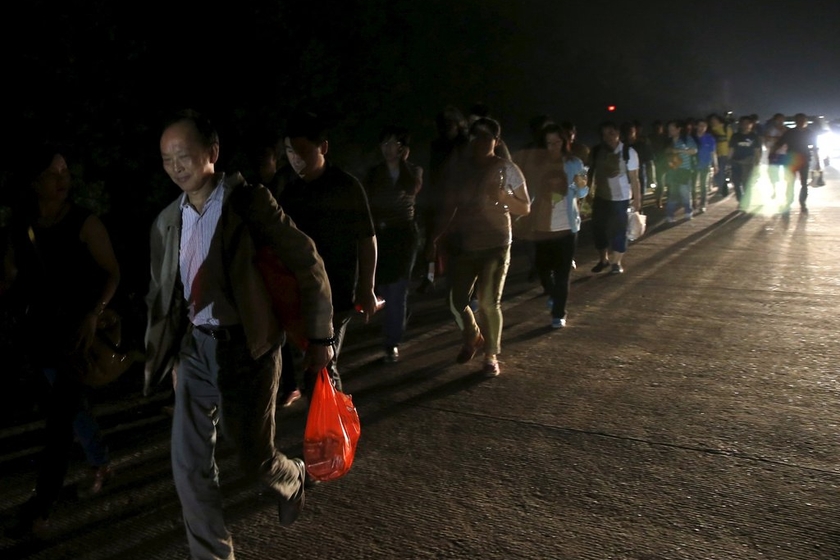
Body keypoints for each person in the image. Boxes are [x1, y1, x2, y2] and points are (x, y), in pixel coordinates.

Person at [144, 110, 335, 559]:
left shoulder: (249, 203)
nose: (176, 166)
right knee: (189, 466)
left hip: (247, 349)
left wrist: (320, 338)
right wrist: (168, 354)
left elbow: (308, 263)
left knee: (253, 457)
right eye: (167, 159)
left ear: (212, 152)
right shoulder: (167, 221)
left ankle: (292, 477)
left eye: (184, 154)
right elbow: (163, 295)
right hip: (194, 349)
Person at [9, 148, 120, 537]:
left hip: (76, 336)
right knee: (66, 409)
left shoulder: (84, 222)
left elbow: (112, 271)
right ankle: (100, 460)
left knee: (59, 422)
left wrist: (94, 312)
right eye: (52, 173)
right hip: (41, 334)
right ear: (34, 181)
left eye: (65, 171)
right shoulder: (24, 225)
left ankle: (41, 509)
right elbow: (13, 274)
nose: (62, 179)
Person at [278, 109, 378, 393]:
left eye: (302, 151)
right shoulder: (290, 192)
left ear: (322, 147)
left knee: (323, 365)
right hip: (301, 293)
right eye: (289, 152)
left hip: (337, 294)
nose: (295, 159)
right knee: (313, 368)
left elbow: (366, 239)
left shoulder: (346, 187)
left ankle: (332, 420)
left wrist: (367, 287)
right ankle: (326, 418)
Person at [431, 117, 530, 376]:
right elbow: (450, 205)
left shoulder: (506, 169)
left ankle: (491, 355)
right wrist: (435, 236)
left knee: (488, 302)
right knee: (456, 300)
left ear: (496, 141)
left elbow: (525, 207)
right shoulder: (461, 168)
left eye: (487, 137)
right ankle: (473, 335)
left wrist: (505, 197)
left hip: (497, 243)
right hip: (466, 243)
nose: (481, 142)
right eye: (476, 136)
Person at [363, 126, 423, 362]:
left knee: (397, 288)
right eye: (385, 144)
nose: (388, 149)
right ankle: (398, 316)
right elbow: (368, 202)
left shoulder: (413, 171)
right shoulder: (374, 173)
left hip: (404, 234)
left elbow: (412, 188)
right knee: (384, 288)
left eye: (394, 144)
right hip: (381, 233)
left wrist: (403, 163)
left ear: (402, 147)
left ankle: (392, 342)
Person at [529, 124, 588, 328]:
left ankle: (558, 313)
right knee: (542, 267)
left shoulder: (574, 163)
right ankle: (553, 293)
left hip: (566, 226)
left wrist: (580, 185)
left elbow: (583, 192)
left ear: (564, 142)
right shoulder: (537, 165)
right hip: (542, 226)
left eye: (557, 142)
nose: (553, 147)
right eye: (549, 143)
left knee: (563, 273)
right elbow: (530, 193)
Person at [588, 121, 641, 274]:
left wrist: (637, 199)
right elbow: (590, 173)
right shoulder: (597, 151)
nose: (608, 137)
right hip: (601, 196)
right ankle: (603, 259)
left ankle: (616, 262)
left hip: (621, 198)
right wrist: (586, 195)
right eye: (604, 134)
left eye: (611, 133)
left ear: (618, 133)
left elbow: (634, 178)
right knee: (599, 228)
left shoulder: (628, 152)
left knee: (619, 230)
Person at [771, 113, 820, 216]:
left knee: (804, 183)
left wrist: (818, 162)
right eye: (799, 120)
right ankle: (788, 202)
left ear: (805, 122)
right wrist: (773, 154)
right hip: (791, 160)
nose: (801, 122)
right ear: (796, 122)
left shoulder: (810, 133)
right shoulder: (790, 133)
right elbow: (779, 144)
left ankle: (802, 203)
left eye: (803, 120)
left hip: (804, 160)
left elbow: (815, 148)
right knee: (790, 182)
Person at [664, 120, 698, 222]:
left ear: (679, 129)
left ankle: (688, 211)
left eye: (672, 129)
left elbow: (694, 150)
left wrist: (679, 150)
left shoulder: (686, 139)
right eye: (669, 129)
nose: (670, 131)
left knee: (685, 192)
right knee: (673, 193)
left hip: (685, 169)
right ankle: (670, 214)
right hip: (672, 169)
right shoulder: (668, 141)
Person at [728, 116, 762, 210]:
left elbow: (757, 151)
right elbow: (731, 149)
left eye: (748, 123)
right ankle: (740, 200)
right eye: (744, 123)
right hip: (735, 161)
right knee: (736, 182)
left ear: (751, 125)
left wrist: (757, 163)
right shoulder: (735, 136)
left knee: (746, 183)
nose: (746, 125)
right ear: (740, 124)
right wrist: (729, 160)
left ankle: (746, 202)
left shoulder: (754, 137)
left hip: (748, 162)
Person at [694, 119, 718, 213]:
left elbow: (713, 152)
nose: (701, 128)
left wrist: (715, 165)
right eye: (700, 125)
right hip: (693, 165)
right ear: (696, 126)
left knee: (704, 185)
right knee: (693, 185)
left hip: (705, 164)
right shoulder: (692, 137)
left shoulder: (710, 138)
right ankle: (693, 202)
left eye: (704, 126)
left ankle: (703, 204)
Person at [763, 113, 787, 200]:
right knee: (773, 173)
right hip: (773, 153)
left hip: (785, 153)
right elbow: (766, 139)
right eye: (778, 119)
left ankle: (785, 191)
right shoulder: (770, 129)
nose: (780, 121)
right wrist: (778, 139)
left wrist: (774, 138)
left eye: (781, 119)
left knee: (787, 173)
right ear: (774, 120)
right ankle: (774, 190)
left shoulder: (786, 130)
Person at [709, 114, 732, 197]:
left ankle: (721, 189)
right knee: (716, 172)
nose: (713, 122)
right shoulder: (711, 130)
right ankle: (721, 188)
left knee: (721, 171)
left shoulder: (726, 128)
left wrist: (730, 154)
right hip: (715, 154)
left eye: (714, 120)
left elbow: (731, 142)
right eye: (711, 120)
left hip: (724, 153)